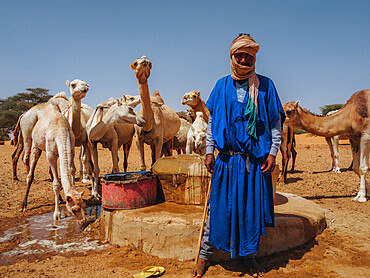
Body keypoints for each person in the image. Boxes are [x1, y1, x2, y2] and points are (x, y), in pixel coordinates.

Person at [191, 34, 285, 278]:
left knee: (249, 211)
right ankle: (204, 256)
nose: (244, 59)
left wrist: (273, 153)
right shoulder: (221, 86)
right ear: (231, 57)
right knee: (218, 209)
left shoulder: (266, 86)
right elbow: (213, 123)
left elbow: (275, 123)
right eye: (239, 55)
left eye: (248, 56)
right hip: (226, 161)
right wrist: (210, 151)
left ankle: (249, 257)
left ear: (254, 58)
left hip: (253, 162)